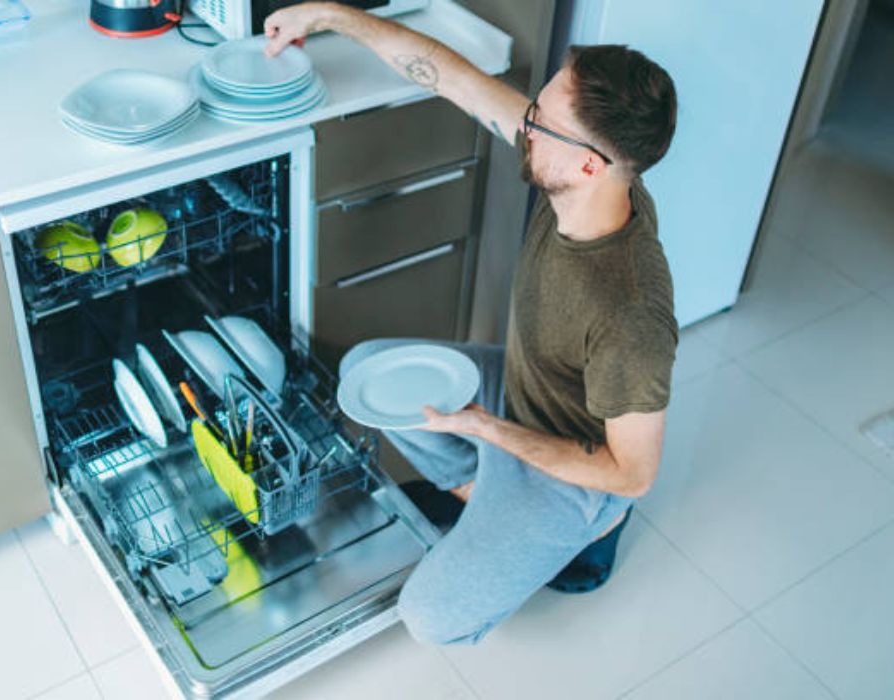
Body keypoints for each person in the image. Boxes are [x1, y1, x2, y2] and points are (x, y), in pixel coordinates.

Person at [265, 3, 679, 646]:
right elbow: (448, 76)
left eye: (540, 121)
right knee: (365, 370)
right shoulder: (577, 178)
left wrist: (488, 428)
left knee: (428, 619)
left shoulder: (631, 312)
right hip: (521, 389)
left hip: (575, 473)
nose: (525, 124)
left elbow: (633, 472)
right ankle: (487, 497)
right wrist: (329, 16)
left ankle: (584, 539)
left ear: (592, 163)